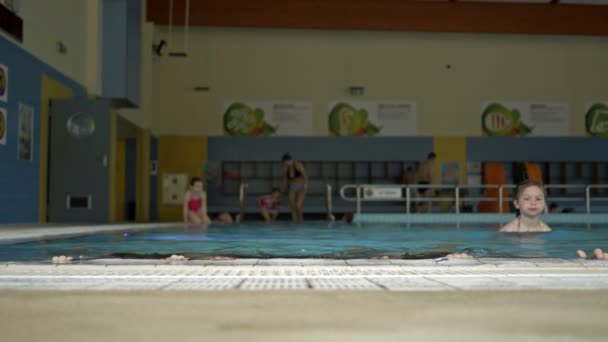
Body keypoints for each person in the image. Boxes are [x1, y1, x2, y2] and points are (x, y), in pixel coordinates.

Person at [281, 153, 307, 222]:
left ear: (291, 160)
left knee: (297, 205)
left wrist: (305, 186)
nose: (286, 163)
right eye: (285, 162)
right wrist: (283, 189)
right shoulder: (285, 168)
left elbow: (305, 176)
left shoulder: (298, 165)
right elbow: (285, 179)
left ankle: (301, 220)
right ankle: (294, 222)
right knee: (292, 207)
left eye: (287, 162)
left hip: (301, 187)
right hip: (291, 187)